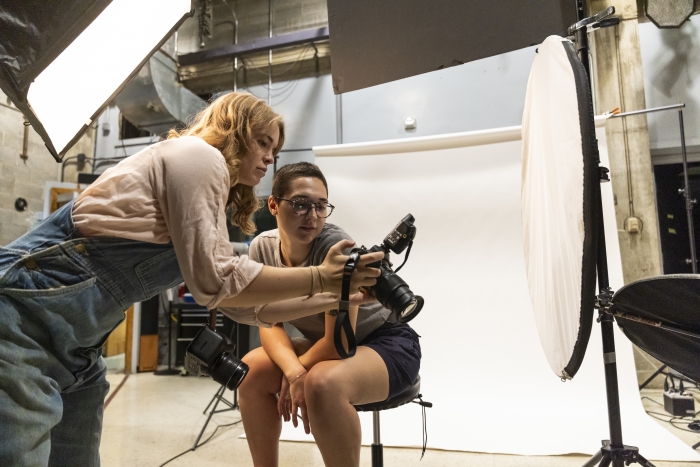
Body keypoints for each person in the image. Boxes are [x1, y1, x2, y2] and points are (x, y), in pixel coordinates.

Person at [0, 93, 383, 467]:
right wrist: (321, 279)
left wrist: (337, 296)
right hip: (27, 311)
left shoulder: (203, 180)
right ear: (234, 129)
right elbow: (217, 282)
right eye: (262, 142)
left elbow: (248, 309)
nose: (269, 158)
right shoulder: (198, 156)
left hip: (78, 338)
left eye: (274, 149)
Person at [236, 162, 422, 467]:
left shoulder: (335, 248)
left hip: (385, 343)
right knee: (250, 371)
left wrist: (296, 374)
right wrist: (293, 372)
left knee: (321, 384)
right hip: (325, 342)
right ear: (273, 204)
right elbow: (267, 321)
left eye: (321, 206)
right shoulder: (262, 248)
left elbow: (339, 344)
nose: (312, 215)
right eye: (300, 204)